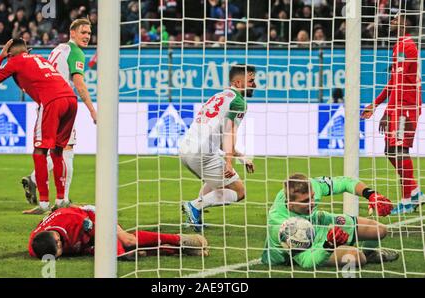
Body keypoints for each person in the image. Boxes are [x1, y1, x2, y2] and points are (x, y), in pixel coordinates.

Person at [0, 39, 78, 215]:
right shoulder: (39, 58)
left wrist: (0, 57)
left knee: (40, 151)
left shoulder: (14, 61)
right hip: (71, 100)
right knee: (58, 151)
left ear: (10, 53)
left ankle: (43, 203)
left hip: (52, 102)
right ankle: (61, 200)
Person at [21, 18, 97, 210]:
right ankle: (62, 201)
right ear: (72, 33)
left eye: (89, 33)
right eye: (83, 32)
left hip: (46, 104)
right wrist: (92, 110)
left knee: (51, 150)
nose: (87, 36)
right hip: (61, 104)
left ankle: (37, 183)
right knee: (66, 151)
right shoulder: (76, 52)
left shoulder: (58, 49)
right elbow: (79, 84)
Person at [261, 173, 398, 269]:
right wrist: (328, 245)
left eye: (313, 197)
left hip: (316, 222)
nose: (312, 203)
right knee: (356, 257)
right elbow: (307, 262)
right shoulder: (282, 226)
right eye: (305, 201)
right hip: (294, 252)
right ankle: (349, 252)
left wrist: (371, 194)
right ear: (290, 205)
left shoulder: (312, 187)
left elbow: (345, 182)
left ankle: (370, 253)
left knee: (380, 230)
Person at [361, 11, 424, 214]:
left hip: (405, 108)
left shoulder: (408, 46)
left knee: (398, 150)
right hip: (399, 107)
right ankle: (414, 191)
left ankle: (408, 199)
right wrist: (375, 104)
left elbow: (399, 85)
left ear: (405, 23)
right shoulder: (399, 46)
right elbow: (393, 82)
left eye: (396, 19)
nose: (393, 22)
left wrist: (388, 112)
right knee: (390, 150)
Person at [179, 64, 256, 232]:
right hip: (203, 152)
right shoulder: (238, 102)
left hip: (186, 149)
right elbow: (229, 133)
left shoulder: (219, 96)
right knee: (239, 191)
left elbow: (220, 139)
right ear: (237, 82)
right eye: (251, 81)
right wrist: (229, 163)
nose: (255, 85)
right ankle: (194, 206)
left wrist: (241, 156)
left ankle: (194, 217)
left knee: (215, 183)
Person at [29, 205, 209, 259]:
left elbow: (102, 231)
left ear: (57, 238)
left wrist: (120, 253)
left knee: (127, 241)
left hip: (95, 216)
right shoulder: (37, 245)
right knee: (132, 252)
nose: (58, 256)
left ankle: (181, 240)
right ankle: (180, 251)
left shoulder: (74, 221)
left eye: (59, 250)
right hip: (82, 240)